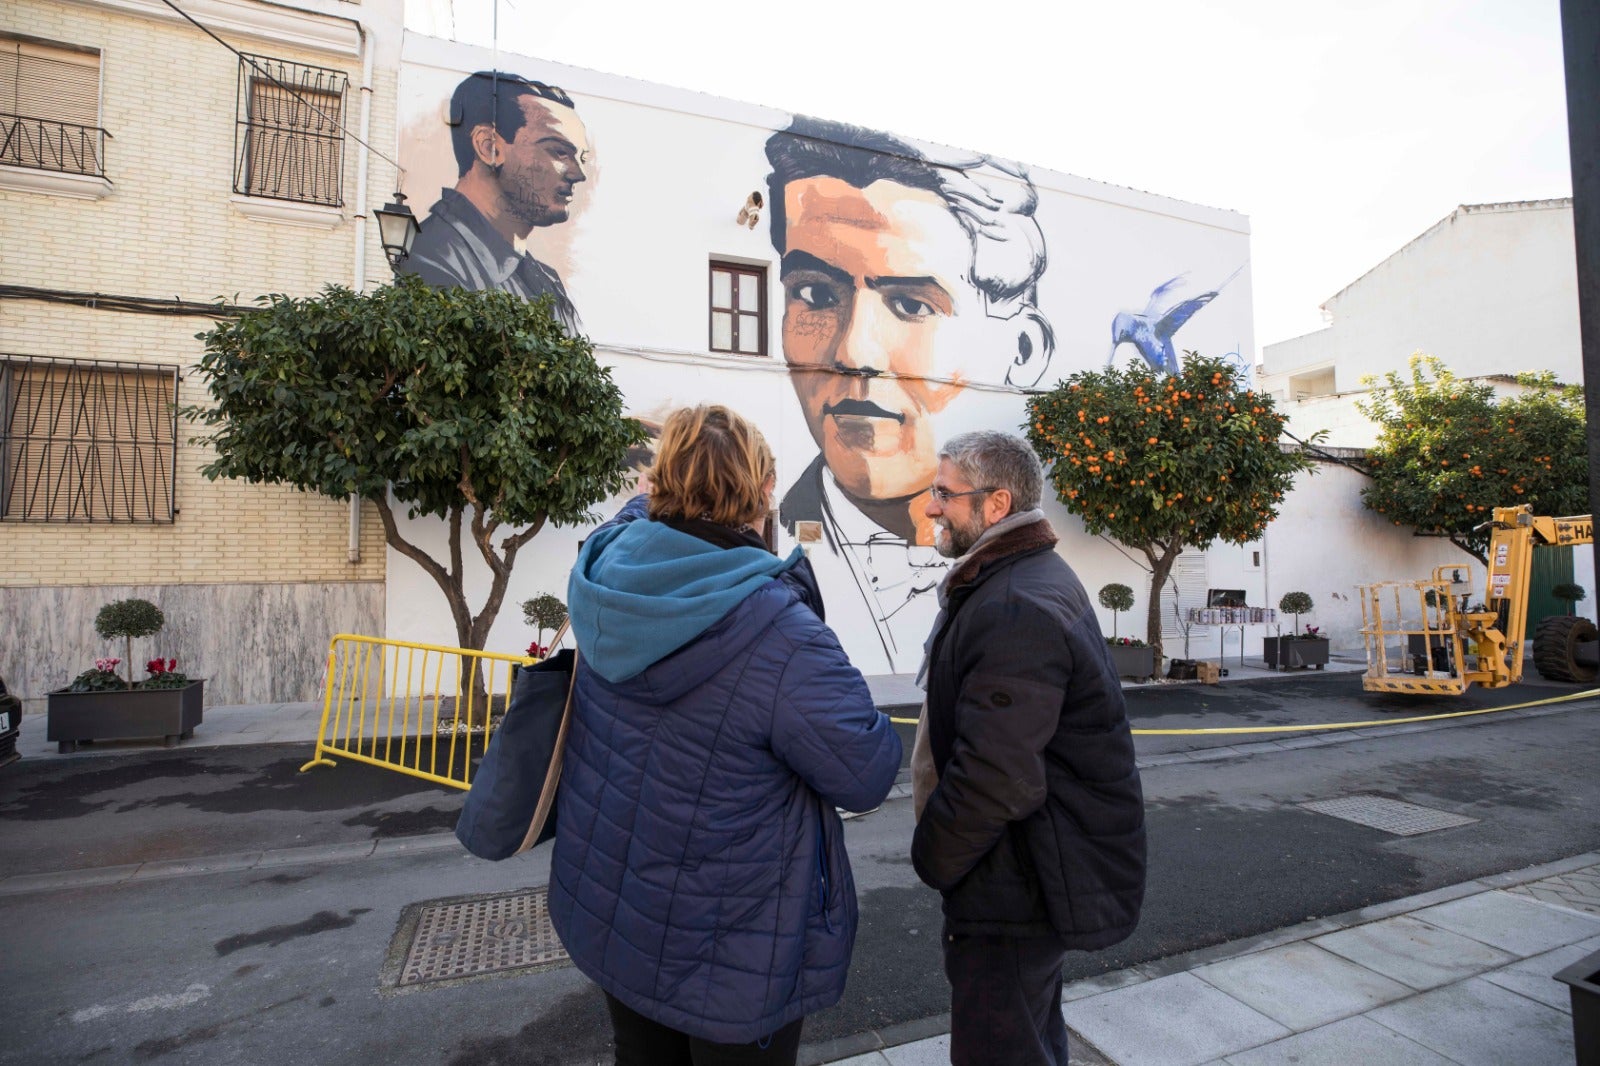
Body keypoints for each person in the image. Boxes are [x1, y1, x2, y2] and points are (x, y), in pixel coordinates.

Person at [548, 404, 902, 1065]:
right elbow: (869, 769)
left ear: (659, 483)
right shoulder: (776, 629)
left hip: (618, 913)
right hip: (733, 945)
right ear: (765, 492)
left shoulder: (605, 574)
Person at [764, 116, 1054, 673]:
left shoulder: (1032, 596)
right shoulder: (765, 553)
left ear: (1021, 348)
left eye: (912, 306)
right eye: (814, 293)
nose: (854, 351)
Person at [910, 430, 1146, 1066]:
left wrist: (934, 854)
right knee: (1030, 1038)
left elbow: (998, 775)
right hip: (1020, 873)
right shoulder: (1015, 579)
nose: (931, 507)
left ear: (995, 505)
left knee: (1001, 1048)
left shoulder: (1015, 602)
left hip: (1013, 883)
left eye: (943, 493)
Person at [399, 70, 588, 331]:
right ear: (489, 147)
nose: (578, 174)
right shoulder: (433, 258)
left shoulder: (546, 281)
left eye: (582, 158)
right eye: (559, 151)